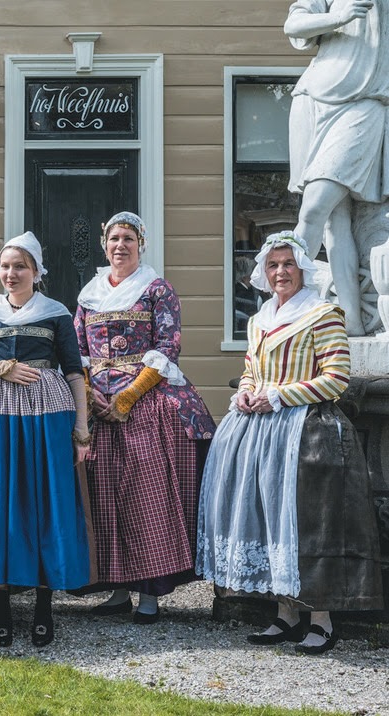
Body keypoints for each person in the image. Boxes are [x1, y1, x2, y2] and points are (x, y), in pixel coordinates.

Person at [197, 231, 383, 655]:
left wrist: (279, 394)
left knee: (308, 523)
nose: (280, 272)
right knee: (270, 519)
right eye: (273, 265)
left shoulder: (323, 313)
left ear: (303, 269)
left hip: (307, 429)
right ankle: (285, 615)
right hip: (259, 429)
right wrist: (245, 391)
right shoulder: (260, 317)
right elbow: (250, 370)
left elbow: (335, 379)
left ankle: (322, 619)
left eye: (288, 264)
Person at [74, 212, 216, 624]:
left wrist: (129, 396)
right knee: (104, 497)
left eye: (129, 238)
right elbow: (79, 353)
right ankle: (117, 589)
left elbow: (167, 346)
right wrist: (91, 393)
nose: (121, 245)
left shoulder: (157, 289)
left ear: (141, 244)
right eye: (115, 238)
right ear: (105, 245)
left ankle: (150, 594)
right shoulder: (88, 295)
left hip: (146, 399)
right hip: (99, 404)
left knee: (145, 497)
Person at [0, 232, 92, 648]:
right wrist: (2, 370)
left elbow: (73, 372)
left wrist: (81, 430)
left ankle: (44, 608)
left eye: (21, 266)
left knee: (44, 502)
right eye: (7, 266)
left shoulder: (55, 313)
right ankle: (1, 608)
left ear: (36, 272)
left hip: (45, 415)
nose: (12, 274)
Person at [286, 0, 387, 336]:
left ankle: (285, 310)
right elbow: (294, 26)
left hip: (368, 102)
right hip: (314, 98)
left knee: (315, 207)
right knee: (332, 219)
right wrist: (338, 17)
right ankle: (351, 325)